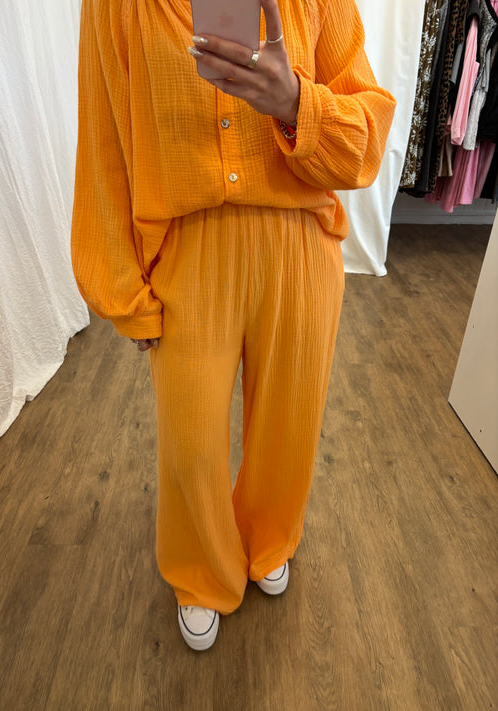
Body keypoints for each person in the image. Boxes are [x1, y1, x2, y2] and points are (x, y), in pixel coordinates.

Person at [71, 0, 396, 651]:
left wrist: (294, 103)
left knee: (288, 425)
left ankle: (269, 536)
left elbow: (366, 140)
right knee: (189, 441)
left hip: (299, 247)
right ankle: (201, 569)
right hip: (189, 253)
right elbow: (102, 138)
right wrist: (121, 288)